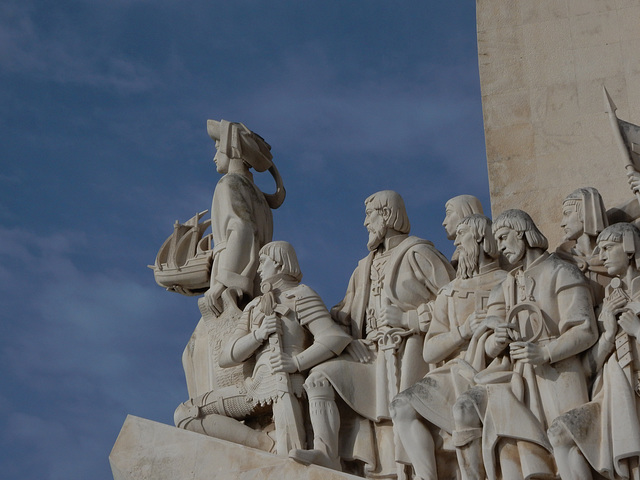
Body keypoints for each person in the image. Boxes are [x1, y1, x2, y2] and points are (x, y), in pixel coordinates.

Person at [290, 190, 455, 476]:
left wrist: (411, 318)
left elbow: (454, 299)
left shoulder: (419, 253)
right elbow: (343, 312)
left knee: (405, 414)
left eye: (370, 215)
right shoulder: (362, 268)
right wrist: (346, 341)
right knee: (319, 378)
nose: (366, 223)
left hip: (410, 354)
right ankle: (327, 455)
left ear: (388, 215)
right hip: (370, 355)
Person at [451, 209, 598, 480]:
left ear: (521, 233)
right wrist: (496, 341)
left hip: (560, 371)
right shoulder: (506, 286)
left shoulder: (561, 271)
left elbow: (585, 329)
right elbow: (486, 341)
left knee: (568, 442)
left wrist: (545, 352)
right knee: (533, 451)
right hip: (522, 378)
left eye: (504, 237)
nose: (501, 246)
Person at [174, 241, 351, 453]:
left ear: (278, 263)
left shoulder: (300, 295)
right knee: (186, 414)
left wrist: (296, 363)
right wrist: (258, 334)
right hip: (254, 387)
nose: (258, 269)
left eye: (263, 262)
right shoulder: (254, 307)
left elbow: (333, 337)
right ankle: (267, 444)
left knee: (292, 456)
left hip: (287, 383)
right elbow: (227, 357)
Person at [390, 214, 507, 480]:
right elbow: (430, 351)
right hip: (455, 371)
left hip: (496, 368)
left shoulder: (507, 281)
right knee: (401, 406)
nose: (455, 244)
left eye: (462, 236)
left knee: (465, 410)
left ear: (479, 237)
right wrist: (463, 331)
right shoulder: (450, 292)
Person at [182, 119, 286, 400]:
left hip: (234, 285)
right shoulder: (260, 198)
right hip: (254, 280)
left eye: (218, 147)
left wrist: (223, 283)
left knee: (196, 352)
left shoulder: (228, 183)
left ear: (232, 149)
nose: (214, 154)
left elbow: (241, 230)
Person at [549, 223, 640, 480]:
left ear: (630, 249)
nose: (601, 256)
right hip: (608, 394)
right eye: (600, 249)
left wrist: (636, 330)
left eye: (609, 248)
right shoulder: (606, 304)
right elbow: (588, 368)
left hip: (634, 392)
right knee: (560, 433)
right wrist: (608, 335)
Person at [556, 187, 610, 303]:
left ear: (586, 212)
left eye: (567, 214)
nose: (562, 223)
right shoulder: (560, 261)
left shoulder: (616, 258)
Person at [442, 195, 484, 268]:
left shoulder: (488, 250)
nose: (444, 223)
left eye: (449, 214)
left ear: (465, 211)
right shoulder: (457, 255)